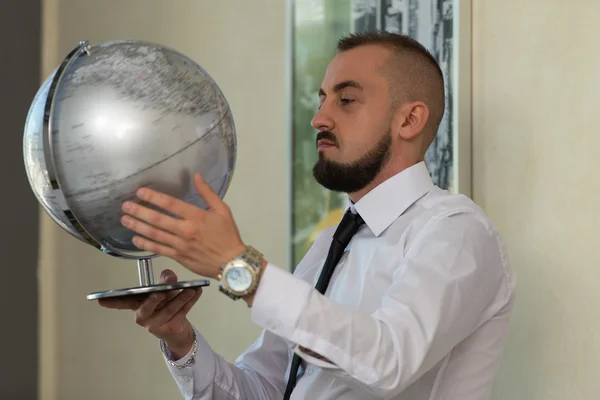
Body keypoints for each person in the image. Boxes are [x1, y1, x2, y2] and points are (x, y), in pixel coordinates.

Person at [99, 31, 516, 400]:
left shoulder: (456, 232)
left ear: (409, 119)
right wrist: (180, 341)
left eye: (346, 100)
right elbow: (265, 390)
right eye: (322, 98)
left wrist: (239, 268)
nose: (319, 118)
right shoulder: (331, 244)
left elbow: (388, 363)